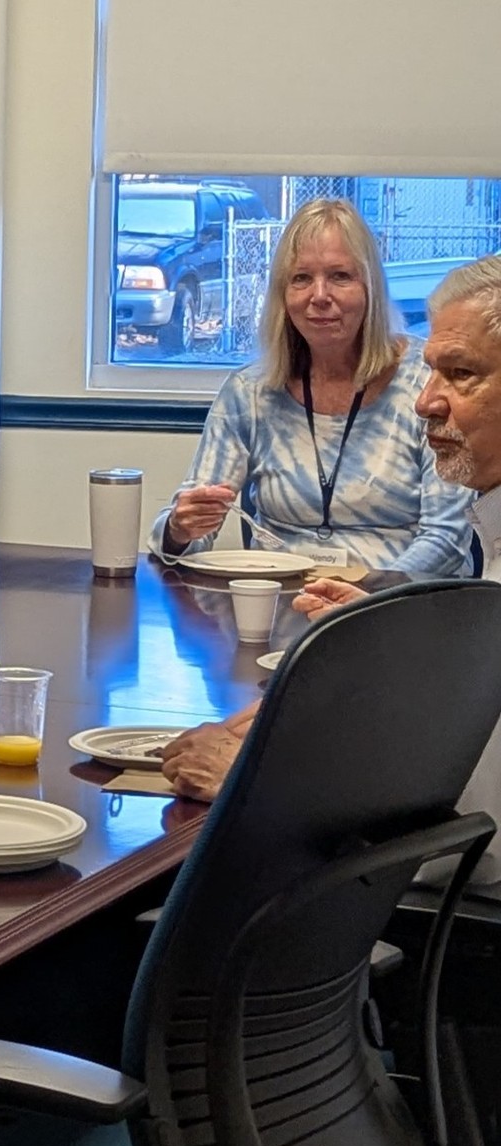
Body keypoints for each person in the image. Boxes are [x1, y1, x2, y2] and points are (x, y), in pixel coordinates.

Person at [161, 254, 501, 886]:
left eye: (461, 374)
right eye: (431, 374)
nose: (426, 403)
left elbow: (465, 817)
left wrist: (255, 775)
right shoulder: (494, 528)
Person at [148, 199, 473, 576]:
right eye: (301, 278)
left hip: (400, 609)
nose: (319, 296)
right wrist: (179, 528)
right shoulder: (249, 392)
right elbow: (172, 542)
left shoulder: (429, 383)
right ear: (282, 296)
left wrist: (363, 598)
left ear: (370, 287)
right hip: (282, 603)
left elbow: (446, 540)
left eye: (340, 276)